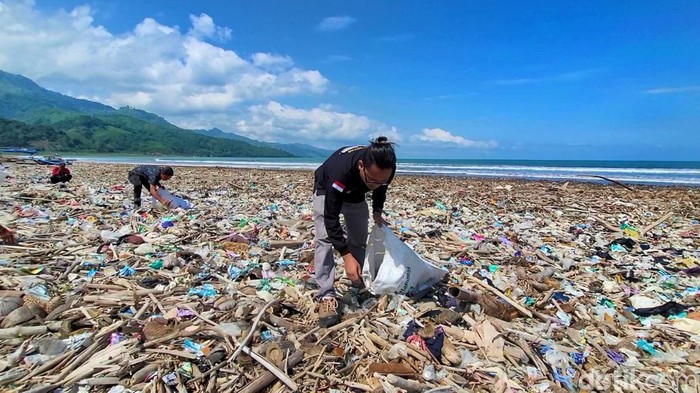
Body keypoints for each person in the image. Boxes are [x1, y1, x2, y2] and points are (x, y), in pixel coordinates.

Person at [313, 136, 396, 327]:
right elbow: (331, 218)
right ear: (361, 166)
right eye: (372, 179)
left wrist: (377, 211)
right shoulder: (340, 173)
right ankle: (326, 296)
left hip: (356, 193)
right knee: (325, 239)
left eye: (380, 181)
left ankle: (358, 283)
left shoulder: (385, 170)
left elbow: (380, 189)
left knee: (358, 239)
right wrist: (345, 255)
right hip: (327, 190)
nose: (375, 184)